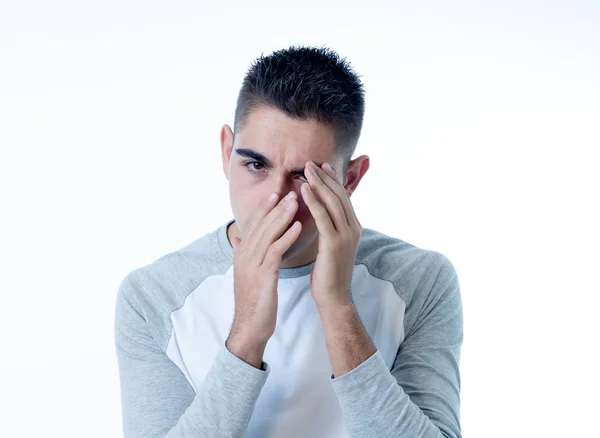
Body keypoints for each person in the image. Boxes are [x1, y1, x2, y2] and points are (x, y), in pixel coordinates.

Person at [114, 45, 463, 438]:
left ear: (349, 180)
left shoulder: (418, 280)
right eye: (255, 164)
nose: (274, 198)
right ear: (227, 151)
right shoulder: (154, 295)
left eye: (303, 176)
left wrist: (337, 306)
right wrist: (246, 335)